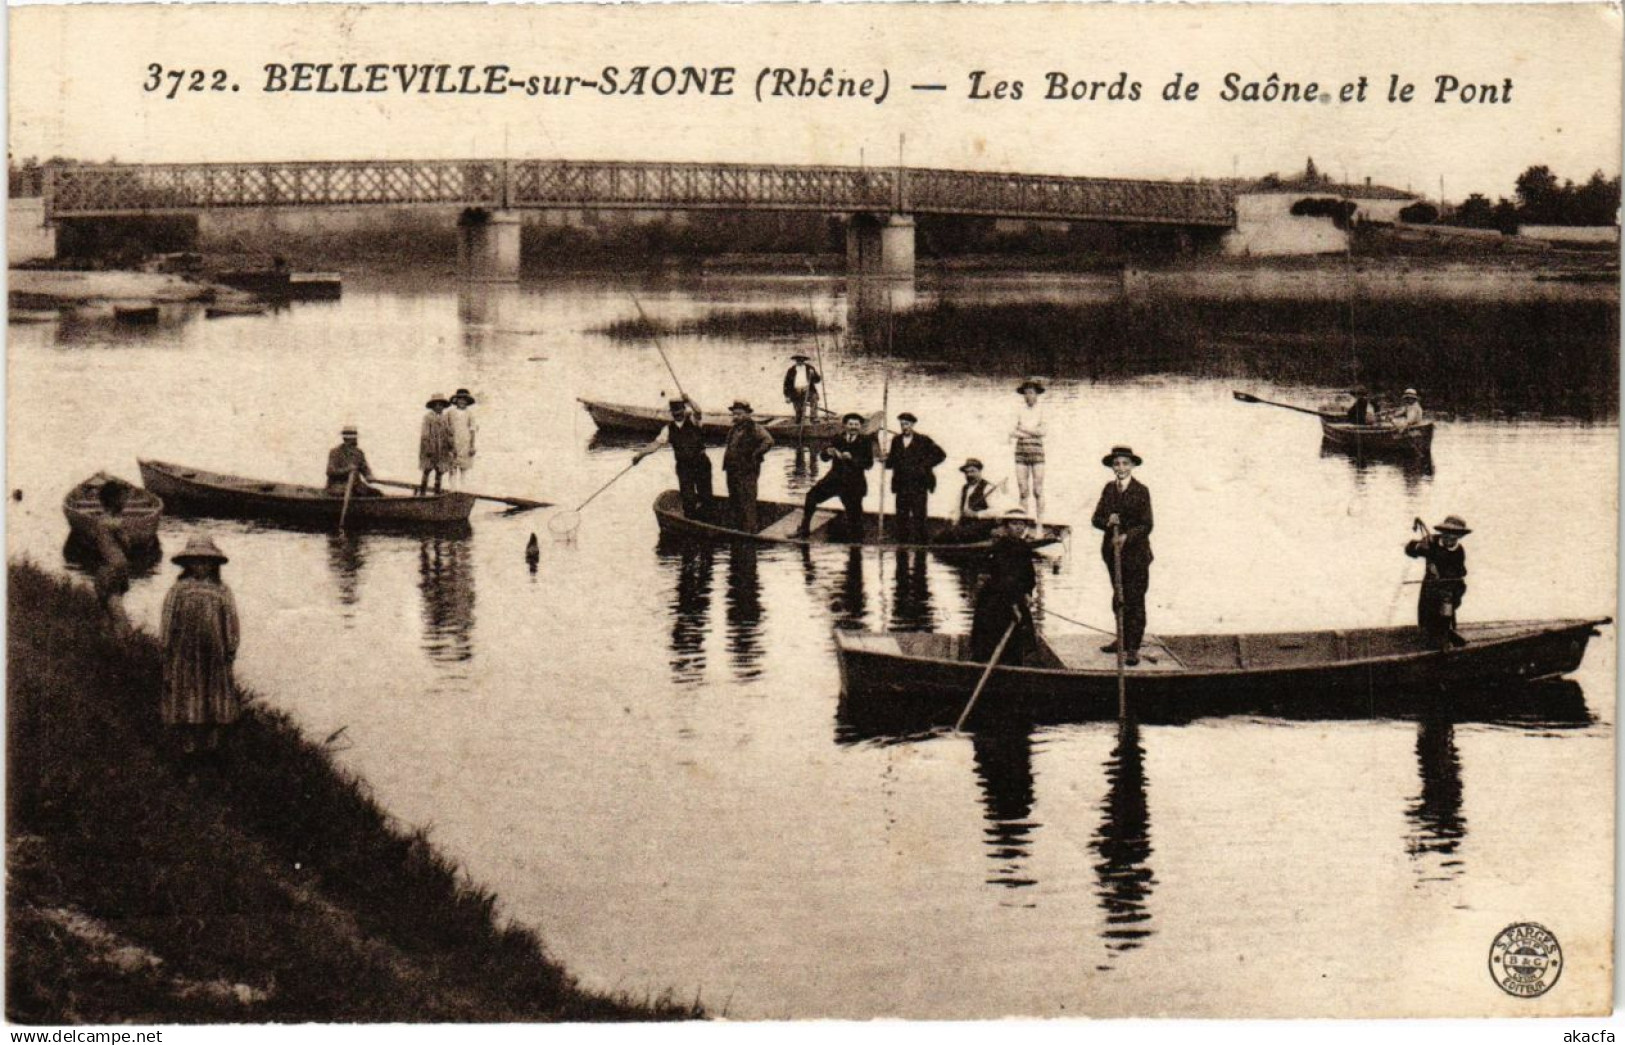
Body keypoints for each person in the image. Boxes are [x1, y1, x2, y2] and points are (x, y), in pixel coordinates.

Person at [159, 535, 242, 762]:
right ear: (187, 564)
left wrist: (231, 646)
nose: (200, 567)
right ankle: (189, 745)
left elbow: (231, 621)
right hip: (184, 653)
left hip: (214, 654)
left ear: (213, 565)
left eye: (206, 562)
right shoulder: (178, 590)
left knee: (214, 694)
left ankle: (212, 746)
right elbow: (168, 620)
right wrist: (165, 646)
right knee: (187, 693)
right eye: (195, 562)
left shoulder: (222, 590)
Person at [968, 509, 1057, 665]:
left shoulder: (1024, 547)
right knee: (992, 638)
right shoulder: (1000, 547)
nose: (1019, 528)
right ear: (1006, 527)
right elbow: (1004, 579)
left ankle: (1013, 666)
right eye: (1014, 524)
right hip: (997, 601)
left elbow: (1028, 576)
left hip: (1016, 598)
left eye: (1021, 524)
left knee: (1018, 642)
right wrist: (1014, 605)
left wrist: (1028, 593)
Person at [1091, 446, 1154, 666]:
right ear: (1112, 467)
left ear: (1133, 466)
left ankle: (1133, 648)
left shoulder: (1141, 490)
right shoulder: (1108, 489)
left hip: (1136, 555)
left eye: (1125, 463)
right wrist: (1108, 522)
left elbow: (1146, 524)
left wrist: (1126, 536)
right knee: (1118, 596)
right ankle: (1122, 638)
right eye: (1116, 464)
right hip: (1112, 554)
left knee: (1135, 599)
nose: (1120, 467)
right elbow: (1096, 519)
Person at [797, 412, 875, 541]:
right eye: (850, 424)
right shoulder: (837, 438)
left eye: (856, 424)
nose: (853, 427)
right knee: (811, 496)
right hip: (834, 480)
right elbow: (823, 458)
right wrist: (827, 452)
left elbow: (868, 464)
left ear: (860, 426)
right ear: (845, 425)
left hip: (854, 483)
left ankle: (856, 541)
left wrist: (852, 459)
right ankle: (804, 529)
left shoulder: (865, 441)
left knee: (854, 515)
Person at [635, 398, 714, 519]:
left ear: (684, 409)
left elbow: (698, 411)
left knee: (706, 495)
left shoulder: (694, 421)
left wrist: (688, 400)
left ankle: (708, 520)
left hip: (701, 463)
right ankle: (691, 521)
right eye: (674, 411)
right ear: (671, 412)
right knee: (688, 497)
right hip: (684, 467)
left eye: (679, 410)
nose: (677, 414)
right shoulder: (668, 429)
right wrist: (640, 455)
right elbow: (655, 445)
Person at [1405, 515, 1470, 650]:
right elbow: (1409, 549)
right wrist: (1418, 547)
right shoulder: (1432, 541)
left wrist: (1443, 575)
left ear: (1459, 536)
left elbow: (1461, 572)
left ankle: (1446, 637)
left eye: (1453, 536)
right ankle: (1430, 641)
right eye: (1446, 534)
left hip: (1448, 587)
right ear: (1442, 532)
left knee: (1445, 616)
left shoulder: (1459, 551)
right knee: (1426, 617)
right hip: (1429, 587)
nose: (1448, 539)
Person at [883, 412, 947, 544]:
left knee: (919, 516)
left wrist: (924, 466)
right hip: (901, 485)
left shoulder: (923, 440)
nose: (904, 427)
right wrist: (885, 459)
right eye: (902, 424)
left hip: (919, 485)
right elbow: (891, 463)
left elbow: (941, 455)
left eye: (907, 424)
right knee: (901, 517)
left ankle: (921, 547)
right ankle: (902, 546)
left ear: (912, 424)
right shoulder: (896, 440)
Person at [90, 479, 135, 640]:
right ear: (117, 501)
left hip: (104, 567)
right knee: (116, 605)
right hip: (118, 566)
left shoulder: (99, 521)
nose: (126, 502)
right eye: (124, 499)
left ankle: (107, 641)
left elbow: (96, 546)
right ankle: (125, 638)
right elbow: (127, 545)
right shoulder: (118, 523)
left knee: (106, 606)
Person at [722, 400, 774, 532]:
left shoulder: (755, 428)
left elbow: (769, 441)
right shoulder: (734, 429)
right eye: (734, 414)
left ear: (747, 414)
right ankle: (739, 527)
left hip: (747, 470)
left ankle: (750, 530)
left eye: (739, 414)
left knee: (747, 498)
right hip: (733, 469)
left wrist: (756, 454)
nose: (735, 417)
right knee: (734, 497)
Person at [936, 458, 1000, 544]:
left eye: (972, 471)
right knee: (942, 535)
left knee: (958, 535)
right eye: (966, 472)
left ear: (980, 471)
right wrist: (954, 521)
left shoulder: (988, 488)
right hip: (966, 524)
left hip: (982, 525)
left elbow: (997, 511)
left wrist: (976, 514)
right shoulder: (964, 488)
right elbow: (957, 509)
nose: (969, 475)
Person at [1010, 380, 1047, 527]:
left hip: (1037, 452)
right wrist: (1032, 432)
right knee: (1023, 491)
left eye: (1031, 392)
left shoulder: (1042, 410)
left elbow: (1043, 432)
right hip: (1021, 452)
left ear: (1037, 394)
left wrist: (1023, 429)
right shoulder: (1018, 410)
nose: (1028, 396)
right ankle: (1023, 525)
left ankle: (1040, 524)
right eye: (1026, 393)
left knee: (1037, 490)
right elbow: (1011, 432)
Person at [325, 426, 382, 497]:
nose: (355, 439)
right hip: (338, 486)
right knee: (348, 494)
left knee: (377, 493)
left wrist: (369, 476)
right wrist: (347, 470)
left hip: (356, 486)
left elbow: (365, 469)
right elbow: (330, 471)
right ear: (346, 438)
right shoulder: (335, 452)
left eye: (355, 437)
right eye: (353, 437)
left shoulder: (358, 453)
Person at [418, 392, 455, 495]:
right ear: (432, 406)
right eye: (436, 405)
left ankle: (437, 492)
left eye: (441, 405)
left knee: (440, 472)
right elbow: (425, 434)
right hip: (430, 448)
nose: (439, 407)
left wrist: (451, 446)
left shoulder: (445, 418)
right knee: (427, 470)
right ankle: (422, 492)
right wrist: (428, 448)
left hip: (442, 449)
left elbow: (449, 433)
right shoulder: (428, 417)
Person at [448, 388, 479, 489]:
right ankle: (452, 490)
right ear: (456, 400)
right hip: (452, 443)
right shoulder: (450, 413)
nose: (462, 401)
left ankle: (463, 490)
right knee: (452, 468)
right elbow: (446, 428)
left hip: (465, 443)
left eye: (464, 399)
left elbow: (473, 430)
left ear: (467, 402)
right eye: (460, 399)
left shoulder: (470, 414)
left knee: (464, 468)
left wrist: (472, 446)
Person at [782, 353, 823, 426]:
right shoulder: (791, 370)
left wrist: (814, 374)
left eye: (801, 360)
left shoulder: (810, 368)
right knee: (799, 412)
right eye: (798, 360)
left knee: (814, 398)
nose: (799, 361)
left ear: (804, 360)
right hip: (796, 392)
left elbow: (817, 380)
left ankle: (813, 418)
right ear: (795, 360)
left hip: (808, 390)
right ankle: (799, 421)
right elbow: (786, 384)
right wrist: (787, 396)